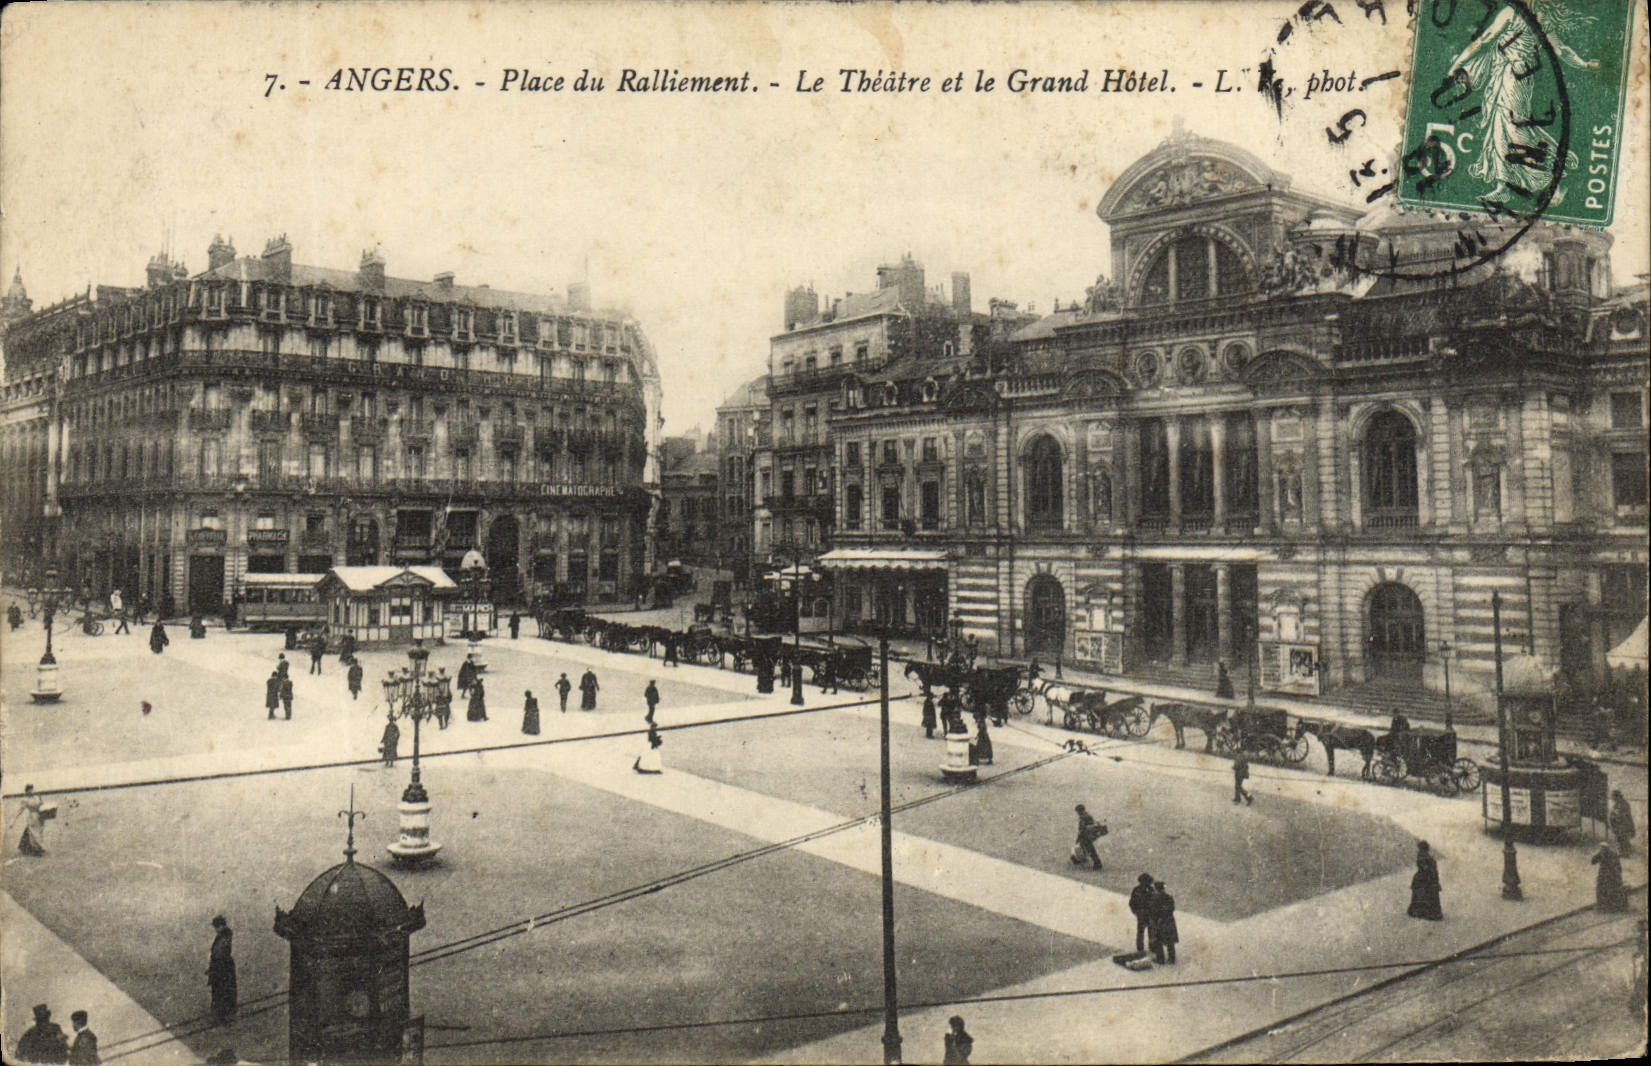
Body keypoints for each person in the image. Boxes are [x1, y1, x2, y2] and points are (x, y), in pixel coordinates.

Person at [207, 916, 238, 1024]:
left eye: (216, 927)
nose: (215, 930)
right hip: (223, 967)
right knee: (224, 992)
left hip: (221, 968)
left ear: (221, 926)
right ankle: (224, 1015)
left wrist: (213, 967)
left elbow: (219, 954)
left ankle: (222, 1017)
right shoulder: (224, 936)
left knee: (221, 992)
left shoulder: (223, 938)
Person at [1407, 840, 1443, 920]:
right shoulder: (1423, 856)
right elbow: (1425, 868)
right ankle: (1428, 913)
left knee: (1422, 896)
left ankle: (1421, 912)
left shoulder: (1422, 855)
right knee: (1426, 895)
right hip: (1426, 878)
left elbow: (1426, 867)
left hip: (1424, 878)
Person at [13, 784, 50, 856]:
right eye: (29, 790)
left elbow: (42, 805)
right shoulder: (25, 800)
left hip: (40, 816)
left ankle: (38, 847)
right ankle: (35, 850)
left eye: (32, 789)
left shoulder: (37, 797)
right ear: (26, 791)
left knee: (39, 832)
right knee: (33, 833)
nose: (31, 791)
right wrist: (14, 820)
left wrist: (42, 802)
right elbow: (20, 810)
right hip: (32, 817)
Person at [1149, 881, 1179, 964]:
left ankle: (1160, 959)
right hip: (1169, 921)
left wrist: (1154, 921)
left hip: (1159, 922)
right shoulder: (1169, 897)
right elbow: (1172, 908)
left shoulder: (1154, 899)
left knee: (1158, 941)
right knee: (1170, 941)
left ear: (1156, 889)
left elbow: (1153, 911)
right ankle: (1171, 959)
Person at [1593, 843, 1629, 913]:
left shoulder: (1606, 854)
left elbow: (1593, 861)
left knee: (1603, 889)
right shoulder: (1610, 854)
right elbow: (1593, 861)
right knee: (1604, 889)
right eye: (1601, 848)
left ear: (1606, 848)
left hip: (1608, 877)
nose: (1602, 849)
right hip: (1609, 876)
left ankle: (1604, 907)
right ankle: (1606, 906)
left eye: (1603, 848)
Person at [1129, 873, 1156, 953]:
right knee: (1149, 932)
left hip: (1143, 914)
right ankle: (1149, 947)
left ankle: (1141, 948)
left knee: (1142, 932)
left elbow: (1132, 902)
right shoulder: (1150, 890)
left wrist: (1135, 911)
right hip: (1146, 914)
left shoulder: (1137, 890)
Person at [1073, 803, 1104, 870]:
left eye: (1078, 811)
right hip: (1088, 836)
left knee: (1089, 850)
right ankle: (1077, 860)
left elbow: (1082, 829)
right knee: (1089, 850)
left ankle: (1097, 864)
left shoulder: (1084, 817)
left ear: (1080, 811)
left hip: (1085, 837)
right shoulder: (1088, 816)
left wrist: (1078, 837)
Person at [1610, 790, 1636, 856]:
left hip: (1624, 826)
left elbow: (1626, 816)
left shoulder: (1624, 804)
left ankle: (1626, 853)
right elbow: (1612, 815)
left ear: (1618, 797)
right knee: (1619, 839)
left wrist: (1631, 828)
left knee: (1624, 839)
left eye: (1614, 797)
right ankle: (1622, 853)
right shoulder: (1616, 805)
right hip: (1618, 826)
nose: (1613, 799)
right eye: (1613, 798)